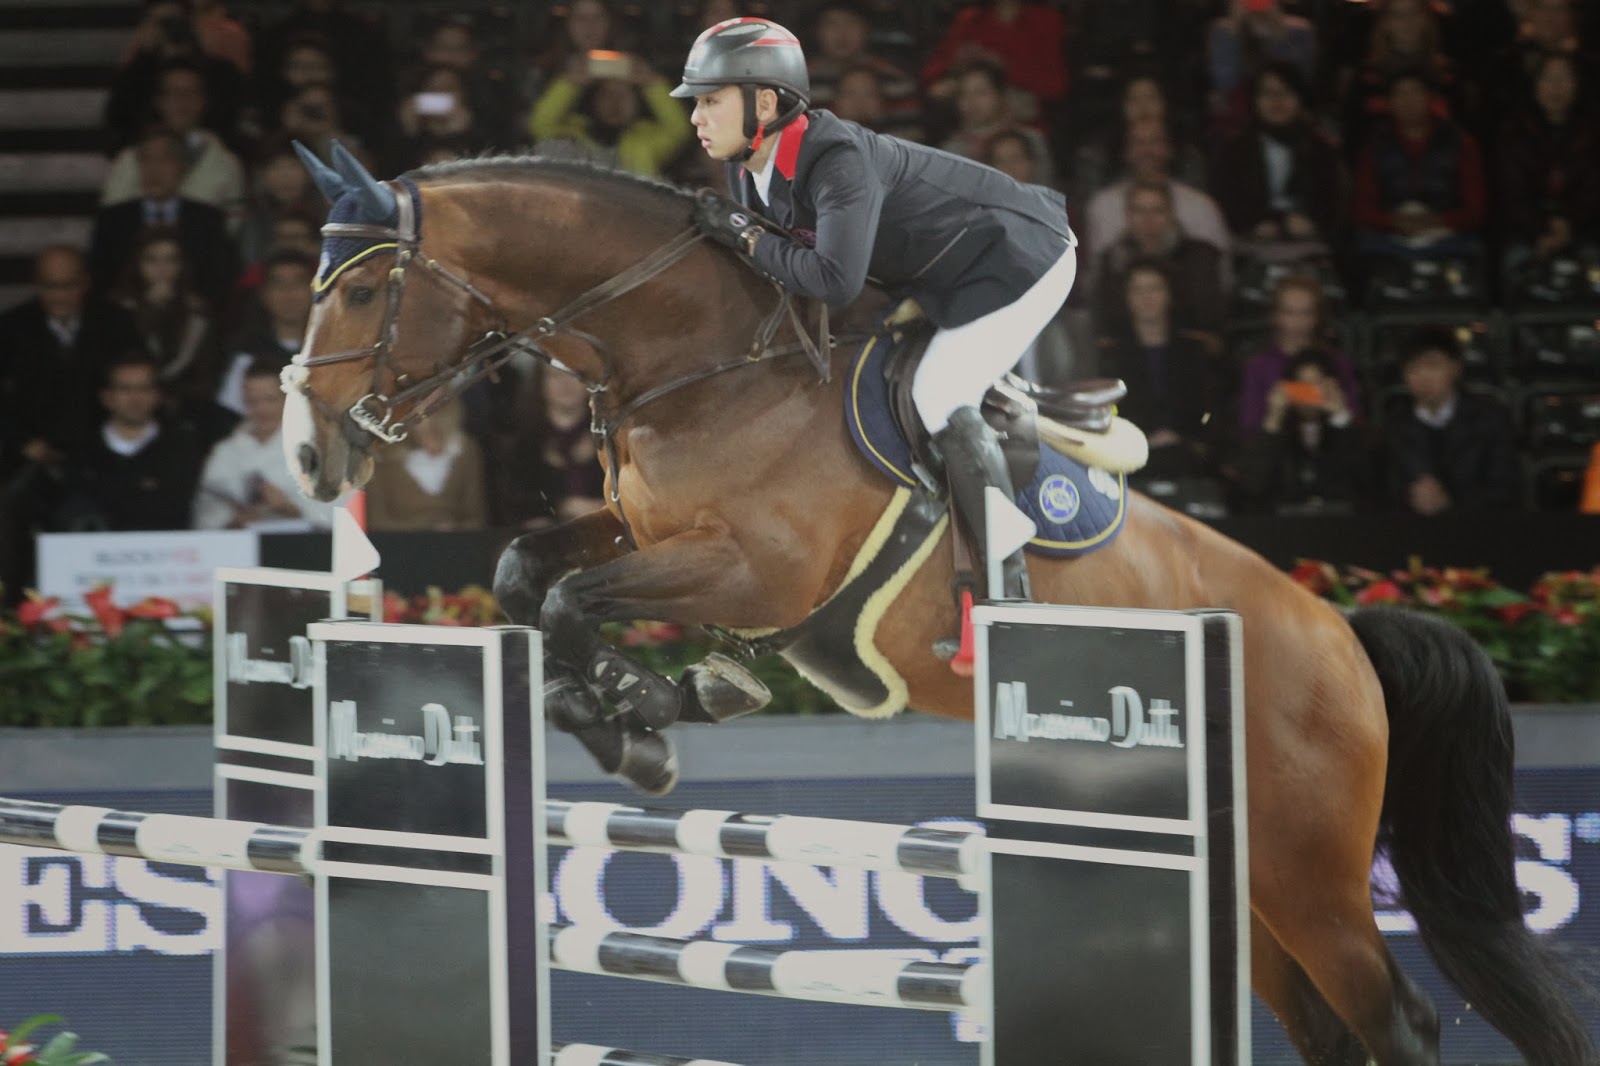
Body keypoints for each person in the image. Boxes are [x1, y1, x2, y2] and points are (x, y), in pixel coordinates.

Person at [678, 17, 1076, 597]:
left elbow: (834, 281)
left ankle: (1005, 577)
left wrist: (748, 238)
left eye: (710, 100)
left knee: (938, 392)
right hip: (937, 275)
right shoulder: (744, 168)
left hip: (1019, 258)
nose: (695, 117)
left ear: (763, 103)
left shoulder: (836, 159)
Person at [0, 247, 143, 472]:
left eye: (68, 286)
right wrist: (22, 441)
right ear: (37, 284)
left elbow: (139, 381)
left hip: (105, 454)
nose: (59, 296)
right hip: (31, 457)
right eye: (50, 286)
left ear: (85, 282)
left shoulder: (116, 322)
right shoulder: (11, 327)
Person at [1094, 261, 1221, 481]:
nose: (1146, 297)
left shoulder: (1194, 351)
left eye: (1155, 288)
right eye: (1137, 290)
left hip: (1190, 457)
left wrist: (1191, 440)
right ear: (1126, 298)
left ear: (1169, 295)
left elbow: (1209, 409)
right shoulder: (1109, 355)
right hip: (1128, 459)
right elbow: (1105, 412)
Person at [88, 126, 238, 308]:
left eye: (165, 159)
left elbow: (219, 281)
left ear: (182, 167)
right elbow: (99, 280)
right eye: (146, 159)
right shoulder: (112, 219)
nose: (154, 169)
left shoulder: (208, 219)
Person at [54, 354, 202, 532]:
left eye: (144, 389)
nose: (136, 398)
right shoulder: (82, 453)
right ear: (106, 397)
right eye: (125, 389)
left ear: (157, 395)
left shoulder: (181, 448)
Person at [1380, 327, 1521, 513]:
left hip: (1480, 525)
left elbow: (1505, 488)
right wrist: (1413, 499)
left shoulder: (1491, 418)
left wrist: (1450, 503)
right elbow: (1386, 491)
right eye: (1413, 369)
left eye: (1432, 366)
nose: (1423, 377)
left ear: (1455, 367)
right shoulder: (1395, 425)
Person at [1208, 62, 1344, 253]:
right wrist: (1258, 223)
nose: (1277, 100)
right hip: (1248, 243)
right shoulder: (1234, 149)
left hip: (1310, 243)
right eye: (1267, 93)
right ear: (1255, 100)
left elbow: (1332, 204)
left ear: (1300, 98)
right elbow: (1224, 201)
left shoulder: (1320, 149)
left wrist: (1312, 223)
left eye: (1286, 92)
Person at [1352, 69, 1487, 261]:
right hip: (1389, 237)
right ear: (1389, 102)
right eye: (1400, 94)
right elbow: (1363, 208)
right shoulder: (1374, 146)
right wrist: (1394, 221)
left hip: (1449, 235)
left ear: (1431, 98)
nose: (1408, 101)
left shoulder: (1461, 143)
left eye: (1416, 92)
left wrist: (1437, 221)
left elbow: (1475, 209)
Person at [99, 61, 247, 225]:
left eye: (190, 92)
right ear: (159, 101)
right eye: (172, 93)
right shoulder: (129, 158)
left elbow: (235, 223)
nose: (181, 100)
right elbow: (113, 215)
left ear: (203, 101)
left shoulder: (227, 163)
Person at [109, 226, 224, 435]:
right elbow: (119, 357)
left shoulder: (199, 311)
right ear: (137, 264)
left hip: (186, 414)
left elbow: (206, 375)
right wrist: (150, 311)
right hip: (128, 408)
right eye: (152, 260)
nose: (162, 269)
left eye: (171, 260)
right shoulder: (117, 309)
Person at [193, 360, 334, 529]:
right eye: (252, 401)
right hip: (239, 542)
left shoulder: (316, 447)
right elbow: (204, 516)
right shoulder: (225, 451)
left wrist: (289, 508)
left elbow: (339, 512)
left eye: (270, 400)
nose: (261, 409)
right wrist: (234, 520)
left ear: (289, 397)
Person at [1496, 52, 1600, 277]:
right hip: (1527, 233)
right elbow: (1512, 194)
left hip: (1582, 231)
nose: (1556, 87)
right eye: (1548, 78)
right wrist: (1541, 230)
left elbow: (1593, 189)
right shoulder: (1514, 130)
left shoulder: (1592, 131)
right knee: (1516, 267)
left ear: (1577, 85)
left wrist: (1568, 225)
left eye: (1564, 78)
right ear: (1535, 86)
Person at [1083, 117, 1230, 268]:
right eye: (1138, 143)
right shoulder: (1101, 206)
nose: (1147, 151)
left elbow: (1220, 272)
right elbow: (1096, 272)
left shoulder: (1202, 207)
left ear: (1170, 148)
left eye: (1155, 142)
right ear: (1126, 152)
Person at [1234, 349, 1365, 514]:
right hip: (1284, 521)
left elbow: (1365, 482)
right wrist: (1273, 419)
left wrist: (1340, 416)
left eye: (1317, 384)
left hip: (1340, 520)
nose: (1310, 392)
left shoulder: (1344, 430)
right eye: (1302, 386)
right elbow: (1253, 484)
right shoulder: (1278, 433)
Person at [1092, 179, 1227, 337]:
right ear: (1128, 216)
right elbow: (1104, 318)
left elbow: (1209, 317)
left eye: (1158, 211)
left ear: (1171, 214)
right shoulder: (1112, 260)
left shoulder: (1200, 257)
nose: (1148, 220)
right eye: (1139, 211)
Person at [527, 52, 691, 177]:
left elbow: (679, 130)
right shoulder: (571, 135)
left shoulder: (646, 142)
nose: (615, 102)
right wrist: (570, 83)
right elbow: (539, 124)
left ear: (637, 105)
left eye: (623, 96)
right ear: (594, 101)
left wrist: (651, 82)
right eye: (606, 94)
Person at [1236, 274, 1363, 431]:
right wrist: (1274, 415)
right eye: (1289, 312)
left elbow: (1356, 427)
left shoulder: (1338, 362)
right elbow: (1249, 429)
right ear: (1275, 316)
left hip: (1331, 442)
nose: (1298, 322)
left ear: (1317, 317)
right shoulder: (1258, 367)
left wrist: (1339, 412)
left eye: (1306, 313)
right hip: (1274, 444)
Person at [365, 401, 488, 531]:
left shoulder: (465, 450)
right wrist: (428, 528)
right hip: (400, 542)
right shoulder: (383, 458)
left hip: (457, 541)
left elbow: (476, 516)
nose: (425, 416)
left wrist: (453, 530)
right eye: (416, 409)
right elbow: (376, 522)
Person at [938, 61, 1055, 185]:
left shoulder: (1032, 139)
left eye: (981, 92)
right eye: (963, 94)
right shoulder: (951, 153)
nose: (971, 101)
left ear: (1000, 94)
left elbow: (1046, 189)